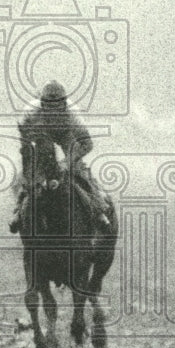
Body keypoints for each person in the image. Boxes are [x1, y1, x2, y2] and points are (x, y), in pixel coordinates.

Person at [8, 80, 112, 234]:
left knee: (79, 170)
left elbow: (87, 145)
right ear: (41, 105)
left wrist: (67, 162)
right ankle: (18, 210)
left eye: (58, 110)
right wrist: (33, 171)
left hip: (65, 134)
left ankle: (98, 209)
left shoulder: (73, 114)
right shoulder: (30, 113)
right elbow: (26, 148)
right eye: (50, 109)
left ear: (64, 105)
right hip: (41, 134)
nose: (54, 114)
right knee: (29, 176)